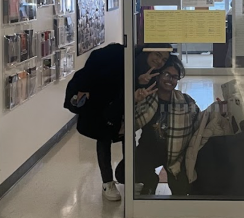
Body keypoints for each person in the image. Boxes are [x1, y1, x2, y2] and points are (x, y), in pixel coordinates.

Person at [69, 43, 171, 202]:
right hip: (103, 104)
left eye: (164, 59)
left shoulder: (151, 70)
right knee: (104, 138)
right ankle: (107, 183)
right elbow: (104, 75)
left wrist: (140, 83)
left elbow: (136, 88)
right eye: (157, 55)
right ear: (148, 51)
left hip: (122, 108)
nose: (159, 61)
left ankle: (131, 177)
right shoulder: (124, 56)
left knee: (127, 139)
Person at [134, 55, 201, 196]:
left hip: (176, 155)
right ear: (158, 76)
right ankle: (150, 180)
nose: (170, 80)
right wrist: (136, 101)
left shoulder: (186, 102)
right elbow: (130, 123)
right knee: (123, 172)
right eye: (166, 74)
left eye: (175, 77)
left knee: (182, 191)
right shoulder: (146, 98)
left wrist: (222, 109)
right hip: (149, 151)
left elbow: (200, 123)